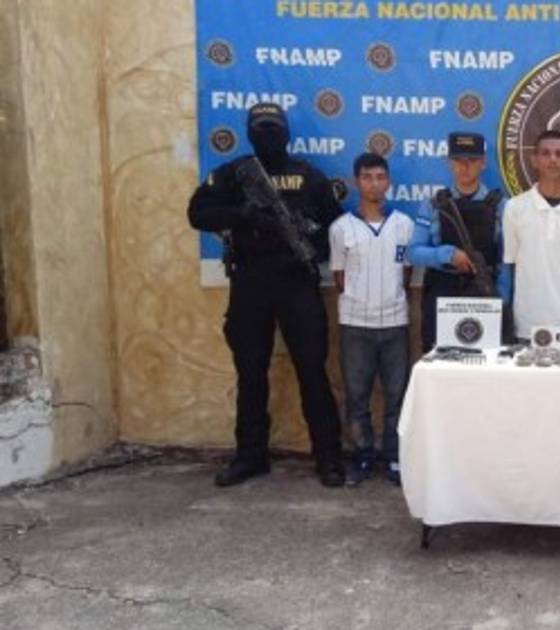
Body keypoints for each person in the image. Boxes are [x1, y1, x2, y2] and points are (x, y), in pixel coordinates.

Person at [187, 102, 345, 487]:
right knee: (251, 372)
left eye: (274, 129)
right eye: (261, 129)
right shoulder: (234, 174)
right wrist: (244, 215)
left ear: (287, 133)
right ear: (249, 133)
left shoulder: (308, 176)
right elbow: (198, 213)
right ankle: (250, 455)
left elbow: (337, 229)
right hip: (251, 282)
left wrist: (309, 242)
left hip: (297, 282)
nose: (269, 136)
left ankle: (328, 456)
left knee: (312, 371)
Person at [329, 153, 414, 486]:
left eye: (380, 177)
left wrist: (389, 298)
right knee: (357, 395)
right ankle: (362, 454)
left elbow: (406, 273)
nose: (374, 184)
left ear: (388, 181)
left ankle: (393, 456)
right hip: (355, 324)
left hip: (394, 322)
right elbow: (339, 277)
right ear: (356, 182)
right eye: (367, 177)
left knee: (397, 395)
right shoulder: (341, 228)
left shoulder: (404, 225)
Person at [409, 132, 511, 352]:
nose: (465, 166)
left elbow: (506, 258)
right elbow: (414, 252)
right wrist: (446, 255)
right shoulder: (432, 204)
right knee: (439, 360)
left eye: (472, 160)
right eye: (458, 160)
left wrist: (502, 300)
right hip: (443, 292)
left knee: (486, 360)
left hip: (485, 293)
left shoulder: (501, 206)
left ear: (483, 163)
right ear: (449, 162)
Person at [502, 130, 560, 340]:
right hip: (529, 322)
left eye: (559, 154)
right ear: (534, 160)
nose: (553, 159)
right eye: (545, 153)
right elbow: (510, 263)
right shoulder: (514, 207)